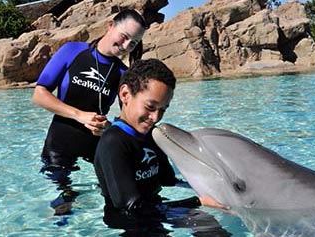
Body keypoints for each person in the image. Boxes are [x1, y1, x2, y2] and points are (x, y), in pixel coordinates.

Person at [94, 58, 229, 236]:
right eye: (150, 106)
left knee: (207, 225)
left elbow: (168, 179)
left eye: (163, 109)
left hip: (155, 211)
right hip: (130, 223)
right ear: (125, 94)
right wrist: (197, 201)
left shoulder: (151, 136)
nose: (156, 117)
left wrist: (211, 188)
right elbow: (131, 207)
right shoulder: (114, 143)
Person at [31, 9, 147, 216]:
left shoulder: (123, 73)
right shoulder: (73, 51)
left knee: (118, 201)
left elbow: (128, 121)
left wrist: (108, 128)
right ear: (110, 26)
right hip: (59, 143)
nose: (127, 45)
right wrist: (79, 115)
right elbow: (39, 94)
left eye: (134, 43)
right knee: (63, 207)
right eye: (125, 36)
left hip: (96, 147)